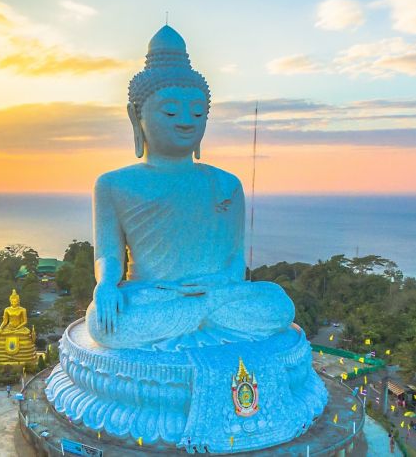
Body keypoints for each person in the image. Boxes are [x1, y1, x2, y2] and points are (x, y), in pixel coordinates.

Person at [85, 25, 295, 351]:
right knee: (104, 322)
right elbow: (108, 255)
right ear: (135, 118)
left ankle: (195, 320)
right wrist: (106, 286)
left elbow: (235, 257)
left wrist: (220, 283)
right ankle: (204, 323)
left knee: (277, 303)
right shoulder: (113, 184)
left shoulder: (226, 184)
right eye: (170, 111)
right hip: (153, 296)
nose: (186, 121)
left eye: (197, 112)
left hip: (215, 292)